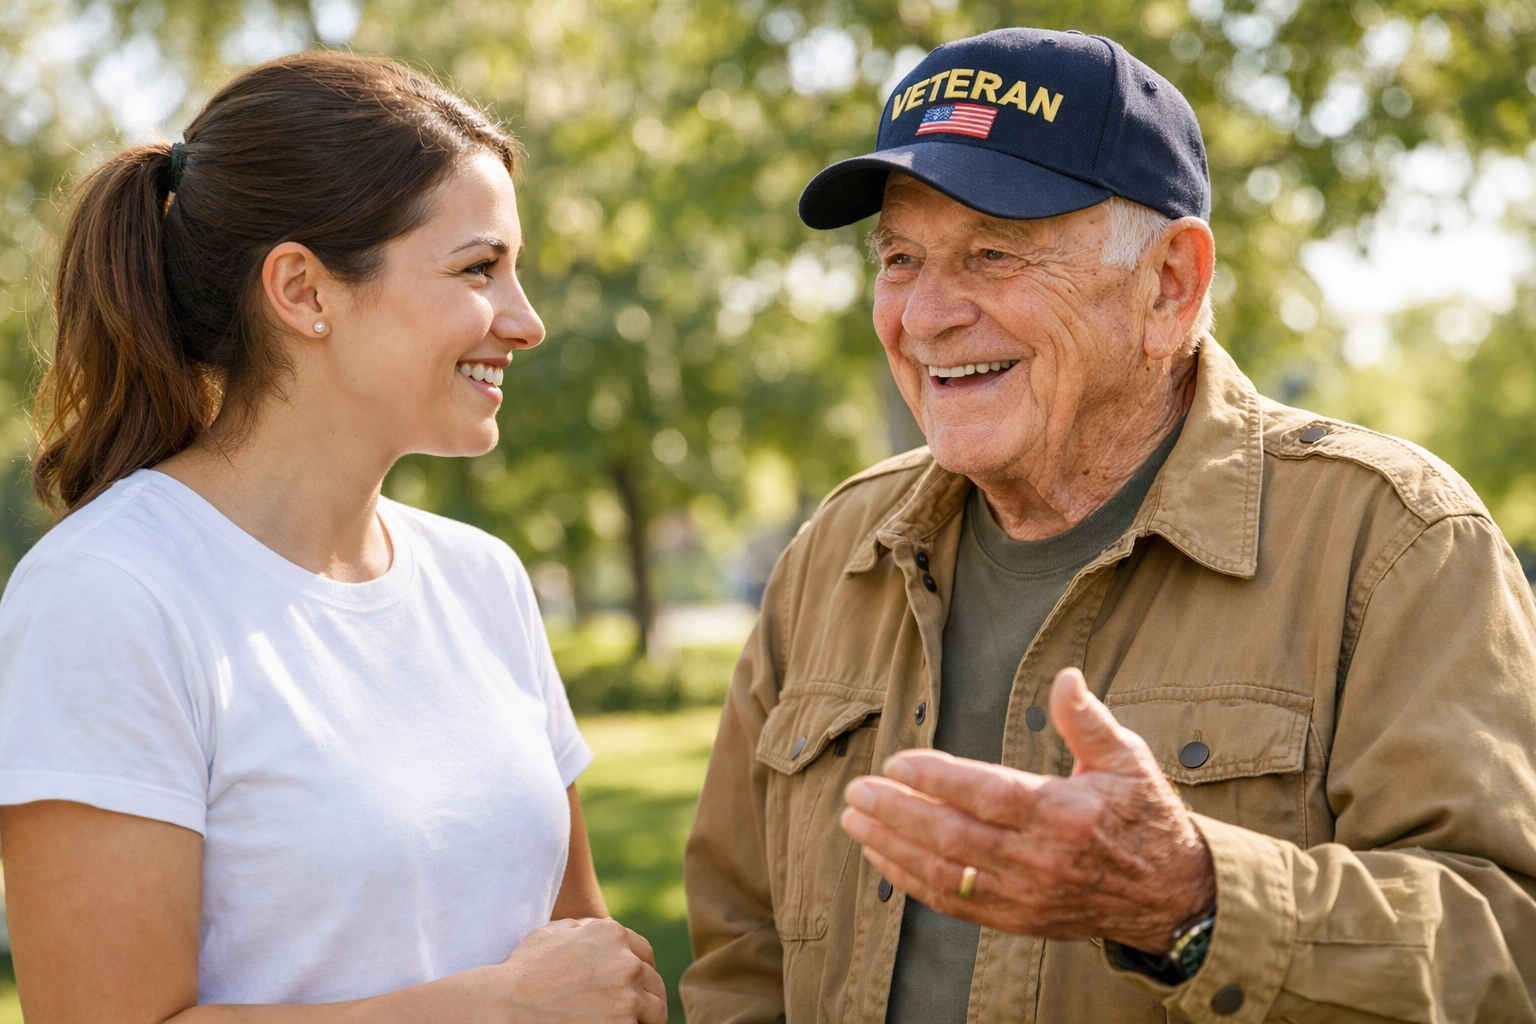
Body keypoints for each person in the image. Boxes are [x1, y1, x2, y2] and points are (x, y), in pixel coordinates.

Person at [682, 27, 1536, 1024]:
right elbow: (741, 949)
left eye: (992, 254)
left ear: (1169, 283)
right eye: (901, 258)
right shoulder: (835, 552)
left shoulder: (1395, 543)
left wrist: (1190, 898)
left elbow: (1505, 948)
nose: (924, 316)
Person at [0, 53, 666, 1023]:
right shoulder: (109, 595)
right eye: (480, 267)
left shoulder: (484, 579)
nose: (527, 322)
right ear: (304, 291)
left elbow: (583, 954)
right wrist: (495, 1009)